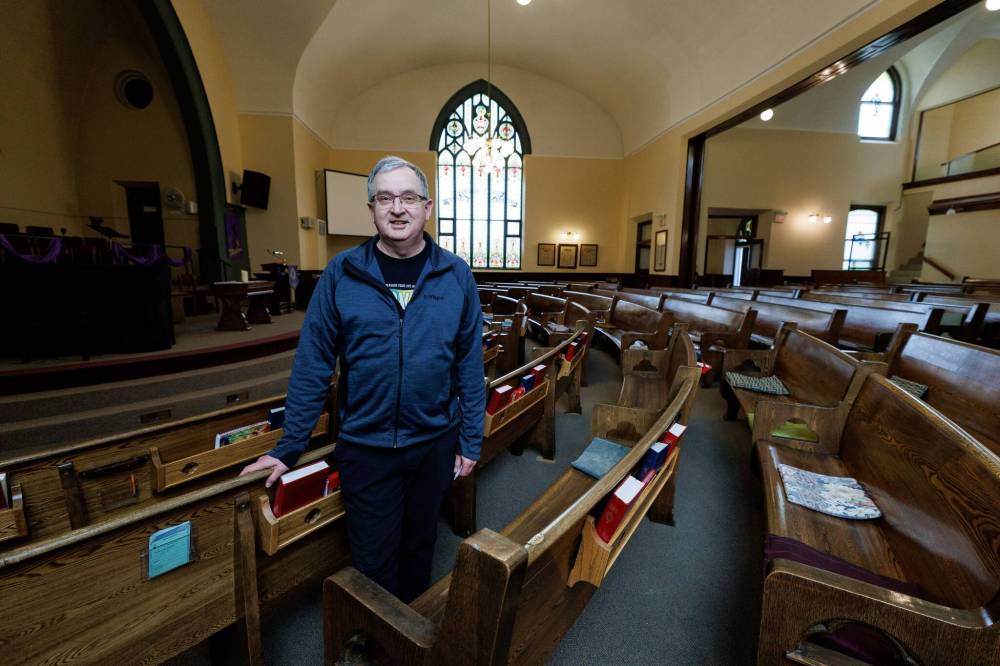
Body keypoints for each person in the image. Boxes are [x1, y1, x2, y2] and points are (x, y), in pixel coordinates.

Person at [240, 156, 484, 603]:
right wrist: (289, 446)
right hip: (367, 446)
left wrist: (470, 440)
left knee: (419, 549)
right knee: (371, 561)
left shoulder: (456, 274)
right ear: (371, 209)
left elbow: (469, 363)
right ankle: (374, 632)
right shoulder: (342, 272)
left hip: (434, 443)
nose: (398, 208)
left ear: (427, 207)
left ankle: (410, 628)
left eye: (409, 197)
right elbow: (313, 363)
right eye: (385, 198)